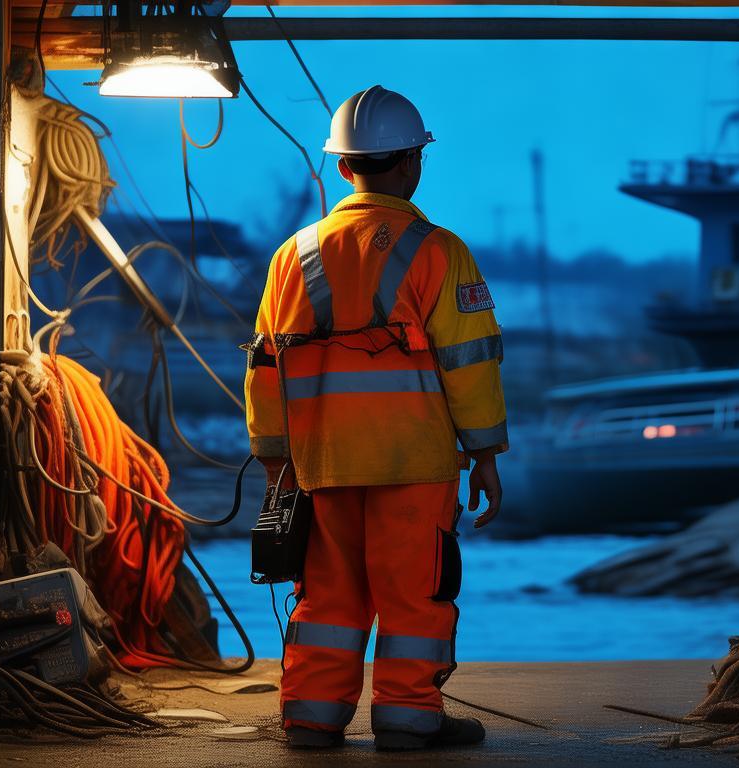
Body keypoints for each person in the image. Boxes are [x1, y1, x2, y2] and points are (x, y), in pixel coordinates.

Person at [242, 85, 508, 752]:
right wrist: (485, 454)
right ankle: (408, 716)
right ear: (414, 163)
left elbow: (265, 369)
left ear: (342, 167)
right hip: (411, 464)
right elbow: (469, 362)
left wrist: (277, 461)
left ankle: (311, 717)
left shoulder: (291, 258)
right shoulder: (440, 252)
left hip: (322, 464)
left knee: (326, 594)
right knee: (414, 593)